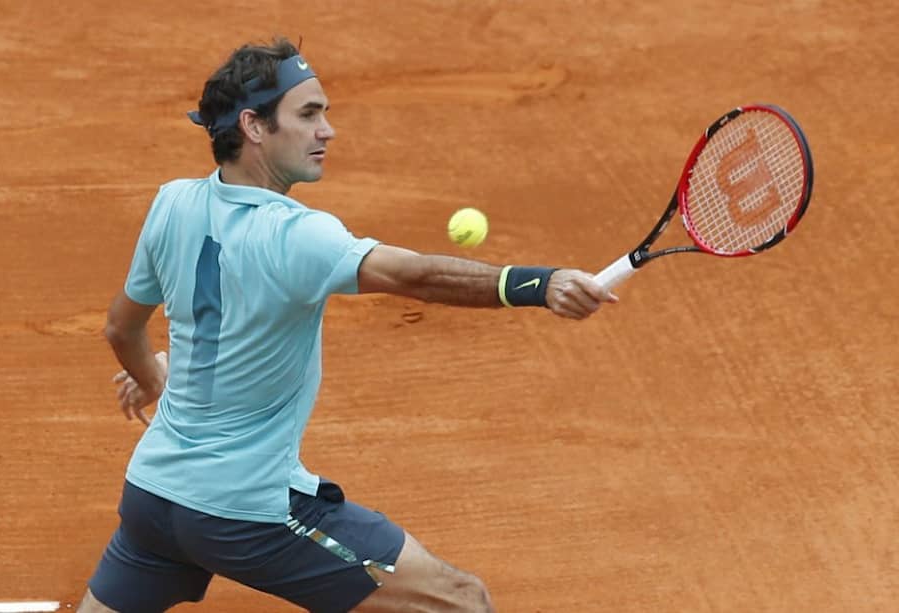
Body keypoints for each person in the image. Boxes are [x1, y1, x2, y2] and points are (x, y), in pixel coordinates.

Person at [78, 37, 617, 613]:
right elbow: (416, 276)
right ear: (254, 126)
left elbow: (122, 328)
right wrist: (541, 284)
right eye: (308, 114)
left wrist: (158, 379)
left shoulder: (172, 204)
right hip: (246, 513)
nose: (327, 130)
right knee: (460, 600)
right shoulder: (296, 234)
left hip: (153, 498)